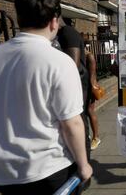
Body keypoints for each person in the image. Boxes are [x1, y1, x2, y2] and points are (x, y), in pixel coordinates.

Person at [0, 0, 92, 194]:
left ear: (19, 18)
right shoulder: (59, 61)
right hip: (50, 170)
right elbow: (71, 123)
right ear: (54, 21)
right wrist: (84, 164)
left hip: (5, 173)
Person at [57, 16, 91, 161]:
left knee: (79, 121)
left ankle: (83, 161)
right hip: (75, 87)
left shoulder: (67, 32)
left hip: (76, 89)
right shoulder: (66, 32)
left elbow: (73, 66)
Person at [85, 46, 101, 150]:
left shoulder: (89, 56)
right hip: (82, 86)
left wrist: (92, 87)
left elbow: (92, 75)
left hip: (89, 87)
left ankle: (96, 138)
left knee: (90, 111)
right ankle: (87, 136)